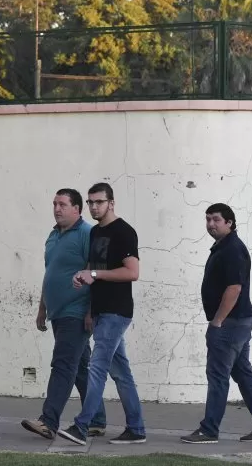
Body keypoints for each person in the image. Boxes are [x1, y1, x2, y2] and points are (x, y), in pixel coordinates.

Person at [180, 203, 252, 444]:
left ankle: (209, 429)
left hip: (230, 324)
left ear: (229, 223)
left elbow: (234, 288)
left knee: (217, 375)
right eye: (208, 220)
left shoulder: (232, 249)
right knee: (242, 372)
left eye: (216, 220)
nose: (210, 224)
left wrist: (217, 322)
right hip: (238, 321)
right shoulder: (224, 247)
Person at [58, 183, 147, 446]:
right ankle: (137, 429)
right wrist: (85, 284)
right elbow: (94, 269)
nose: (94, 206)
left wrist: (94, 274)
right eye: (91, 202)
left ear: (112, 202)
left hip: (116, 312)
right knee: (121, 373)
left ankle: (82, 426)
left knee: (96, 368)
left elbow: (132, 272)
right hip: (99, 311)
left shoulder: (124, 232)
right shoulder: (96, 232)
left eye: (99, 202)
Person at [21, 189, 107, 440]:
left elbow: (96, 274)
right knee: (80, 367)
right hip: (57, 312)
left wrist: (92, 311)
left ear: (77, 209)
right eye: (54, 204)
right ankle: (97, 419)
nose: (57, 209)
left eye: (62, 204)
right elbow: (51, 273)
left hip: (77, 312)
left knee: (63, 364)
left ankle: (48, 421)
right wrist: (41, 307)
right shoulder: (53, 235)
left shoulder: (88, 234)